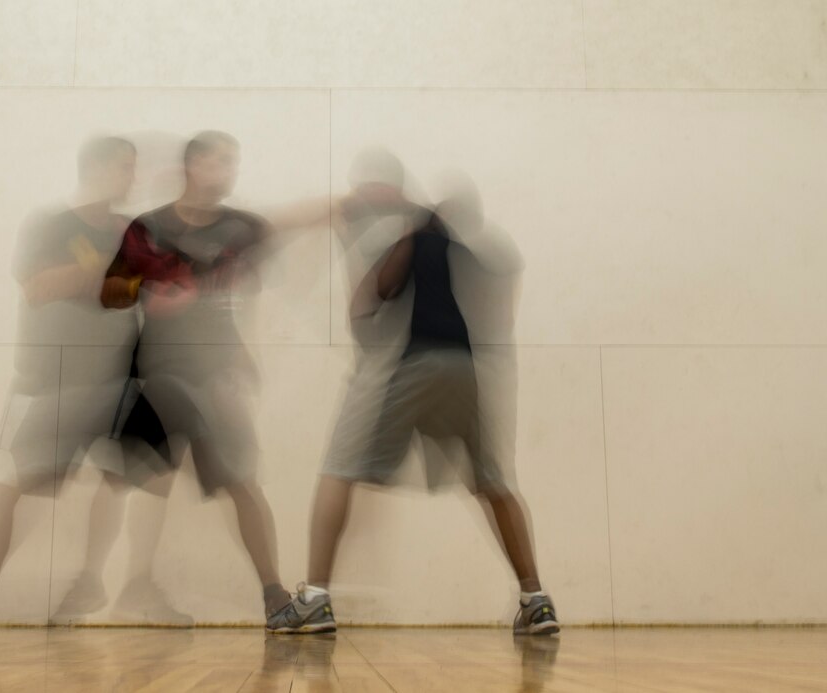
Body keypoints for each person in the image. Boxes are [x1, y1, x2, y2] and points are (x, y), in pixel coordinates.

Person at [268, 150, 559, 636]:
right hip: (465, 370)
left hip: (402, 367)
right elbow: (500, 301)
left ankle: (314, 598)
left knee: (338, 469)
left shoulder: (395, 228)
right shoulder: (463, 241)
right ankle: (536, 600)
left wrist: (362, 312)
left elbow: (372, 292)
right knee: (493, 483)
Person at [0, 136, 181, 628]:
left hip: (120, 383)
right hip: (54, 381)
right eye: (123, 167)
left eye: (134, 168)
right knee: (14, 485)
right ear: (96, 169)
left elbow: (131, 294)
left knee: (153, 473)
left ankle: (97, 582)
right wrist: (97, 268)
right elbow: (38, 288)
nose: (131, 178)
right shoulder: (50, 225)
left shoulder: (130, 231)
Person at [101, 130, 292, 623]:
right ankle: (123, 587)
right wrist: (153, 288)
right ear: (193, 166)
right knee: (132, 480)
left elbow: (260, 265)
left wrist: (242, 350)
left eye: (233, 162)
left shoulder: (242, 227)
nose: (229, 171)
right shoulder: (148, 227)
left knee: (242, 483)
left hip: (213, 374)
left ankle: (276, 597)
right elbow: (112, 291)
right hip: (157, 375)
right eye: (220, 161)